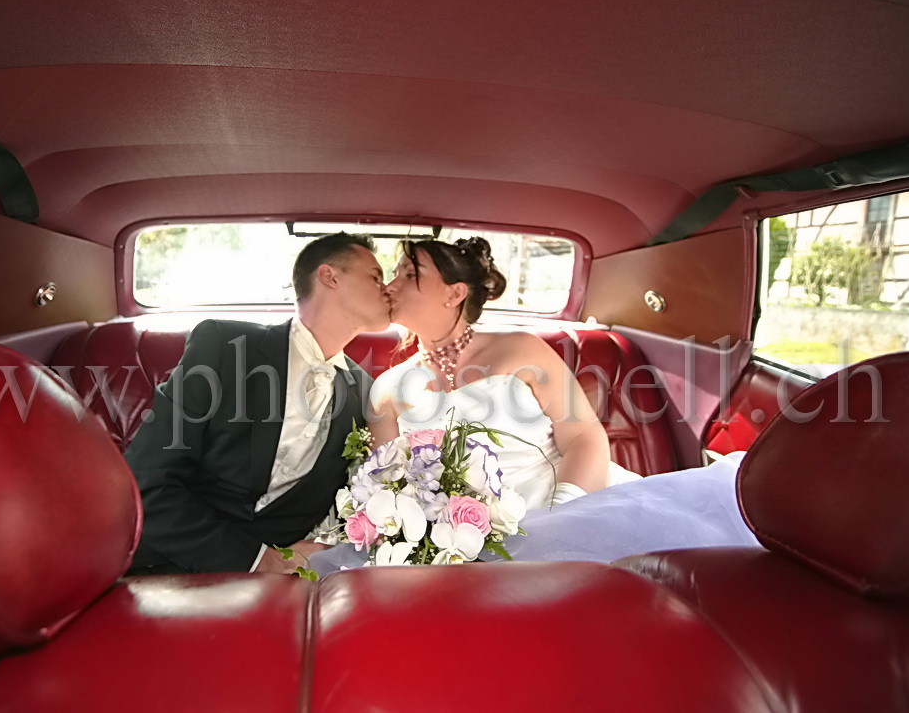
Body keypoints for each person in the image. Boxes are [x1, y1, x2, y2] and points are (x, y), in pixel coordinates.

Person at [308, 237, 758, 574]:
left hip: (575, 506)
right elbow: (386, 482)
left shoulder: (521, 349)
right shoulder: (386, 388)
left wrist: (563, 517)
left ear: (454, 293)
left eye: (409, 274)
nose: (391, 284)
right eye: (393, 273)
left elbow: (584, 437)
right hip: (459, 539)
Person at [125, 232, 390, 574]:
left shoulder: (365, 392)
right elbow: (146, 479)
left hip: (287, 580)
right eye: (375, 276)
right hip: (167, 562)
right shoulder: (225, 346)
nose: (387, 288)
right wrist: (258, 560)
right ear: (330, 276)